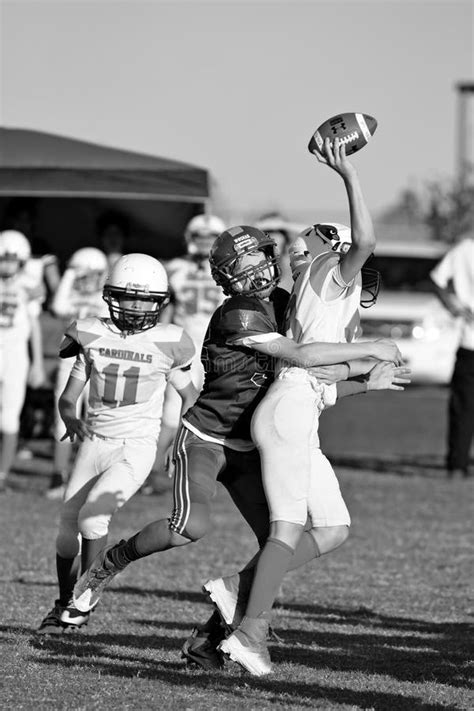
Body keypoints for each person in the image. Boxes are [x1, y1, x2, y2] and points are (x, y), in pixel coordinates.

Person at [70, 225, 402, 645]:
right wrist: (371, 350)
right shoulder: (237, 312)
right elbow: (302, 356)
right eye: (240, 263)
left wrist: (364, 380)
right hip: (208, 435)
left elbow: (314, 377)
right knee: (188, 528)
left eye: (255, 257)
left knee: (275, 550)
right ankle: (110, 562)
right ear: (227, 274)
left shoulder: (288, 303)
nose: (252, 268)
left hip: (252, 445)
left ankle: (214, 636)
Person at [211, 138, 408, 676]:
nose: (298, 251)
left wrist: (366, 377)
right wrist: (348, 173)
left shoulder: (323, 293)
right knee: (287, 528)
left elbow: (321, 373)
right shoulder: (329, 272)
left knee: (334, 527)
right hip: (288, 412)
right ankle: (248, 633)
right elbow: (365, 237)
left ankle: (238, 587)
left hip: (299, 409)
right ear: (332, 251)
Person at [36, 253, 197, 634]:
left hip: (135, 446)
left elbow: (191, 398)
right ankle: (63, 604)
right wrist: (68, 414)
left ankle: (81, 604)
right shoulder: (90, 332)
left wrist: (181, 445)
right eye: (127, 297)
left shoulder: (170, 341)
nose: (136, 306)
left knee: (94, 517)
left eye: (144, 299)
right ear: (110, 296)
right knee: (65, 532)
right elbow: (68, 394)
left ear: (159, 303)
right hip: (94, 443)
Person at [150, 214, 227, 491]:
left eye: (210, 238)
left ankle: (197, 471)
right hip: (182, 347)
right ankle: (155, 471)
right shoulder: (175, 268)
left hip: (214, 349)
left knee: (209, 410)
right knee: (171, 411)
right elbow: (166, 311)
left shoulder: (224, 267)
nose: (205, 243)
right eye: (200, 237)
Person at [45, 247, 109, 499]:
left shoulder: (104, 299)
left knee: (97, 418)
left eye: (90, 276)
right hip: (70, 361)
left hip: (98, 363)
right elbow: (58, 306)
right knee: (63, 415)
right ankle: (58, 473)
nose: (86, 281)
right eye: (83, 276)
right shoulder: (69, 296)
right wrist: (70, 275)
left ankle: (91, 475)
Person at [0, 230, 45, 491]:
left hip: (16, 353)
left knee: (9, 417)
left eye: (11, 259)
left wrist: (37, 362)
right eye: (2, 258)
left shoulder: (29, 284)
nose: (6, 264)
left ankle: (2, 475)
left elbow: (34, 326)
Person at [430, 229, 474, 478]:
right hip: (469, 341)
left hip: (470, 342)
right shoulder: (465, 249)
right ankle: (457, 465)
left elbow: (437, 279)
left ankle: (457, 465)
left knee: (464, 408)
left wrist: (453, 306)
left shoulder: (464, 250)